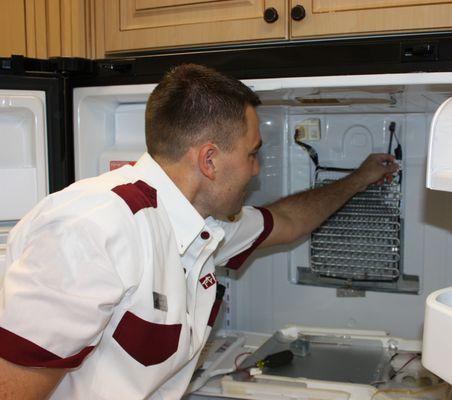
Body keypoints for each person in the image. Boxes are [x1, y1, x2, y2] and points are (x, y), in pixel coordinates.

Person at [0, 64, 398, 399]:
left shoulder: (205, 225)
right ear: (209, 159)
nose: (256, 169)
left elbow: (288, 221)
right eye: (252, 154)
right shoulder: (93, 229)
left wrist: (360, 178)